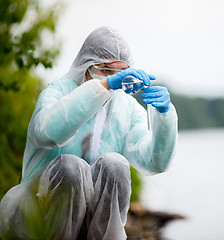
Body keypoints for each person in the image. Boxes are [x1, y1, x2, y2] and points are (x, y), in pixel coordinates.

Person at [0, 26, 178, 240]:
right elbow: (47, 132)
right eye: (105, 70)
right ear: (85, 66)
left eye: (120, 72)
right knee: (70, 167)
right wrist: (102, 87)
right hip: (38, 218)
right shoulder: (57, 91)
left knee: (116, 164)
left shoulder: (126, 108)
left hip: (90, 222)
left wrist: (163, 115)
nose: (114, 78)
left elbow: (153, 162)